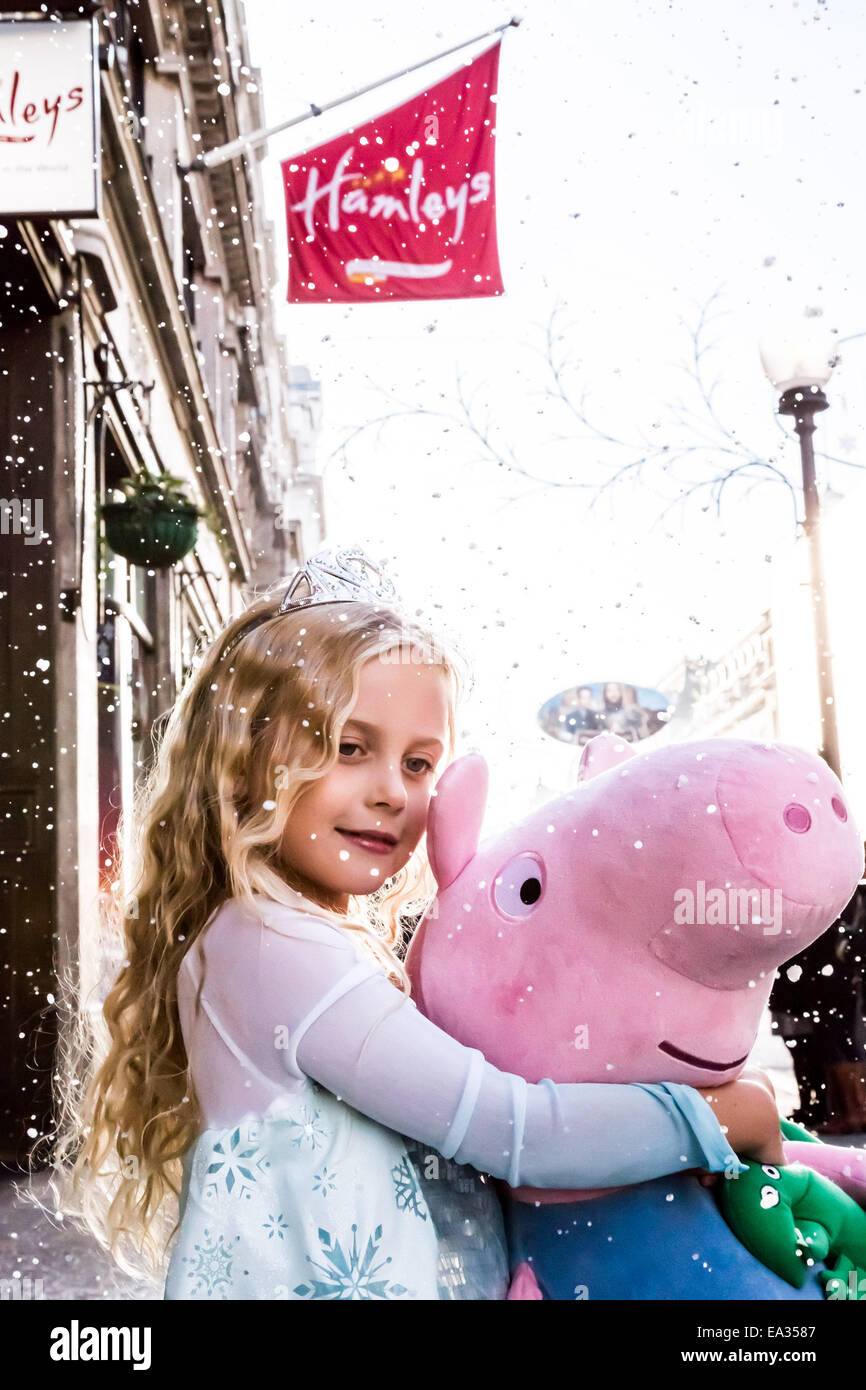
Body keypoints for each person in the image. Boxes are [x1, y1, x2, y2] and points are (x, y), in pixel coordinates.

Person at [47, 546, 784, 1300]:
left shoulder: (288, 937)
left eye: (420, 764)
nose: (392, 792)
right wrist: (716, 1116)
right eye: (348, 748)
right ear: (242, 764)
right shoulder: (274, 946)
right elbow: (511, 1130)